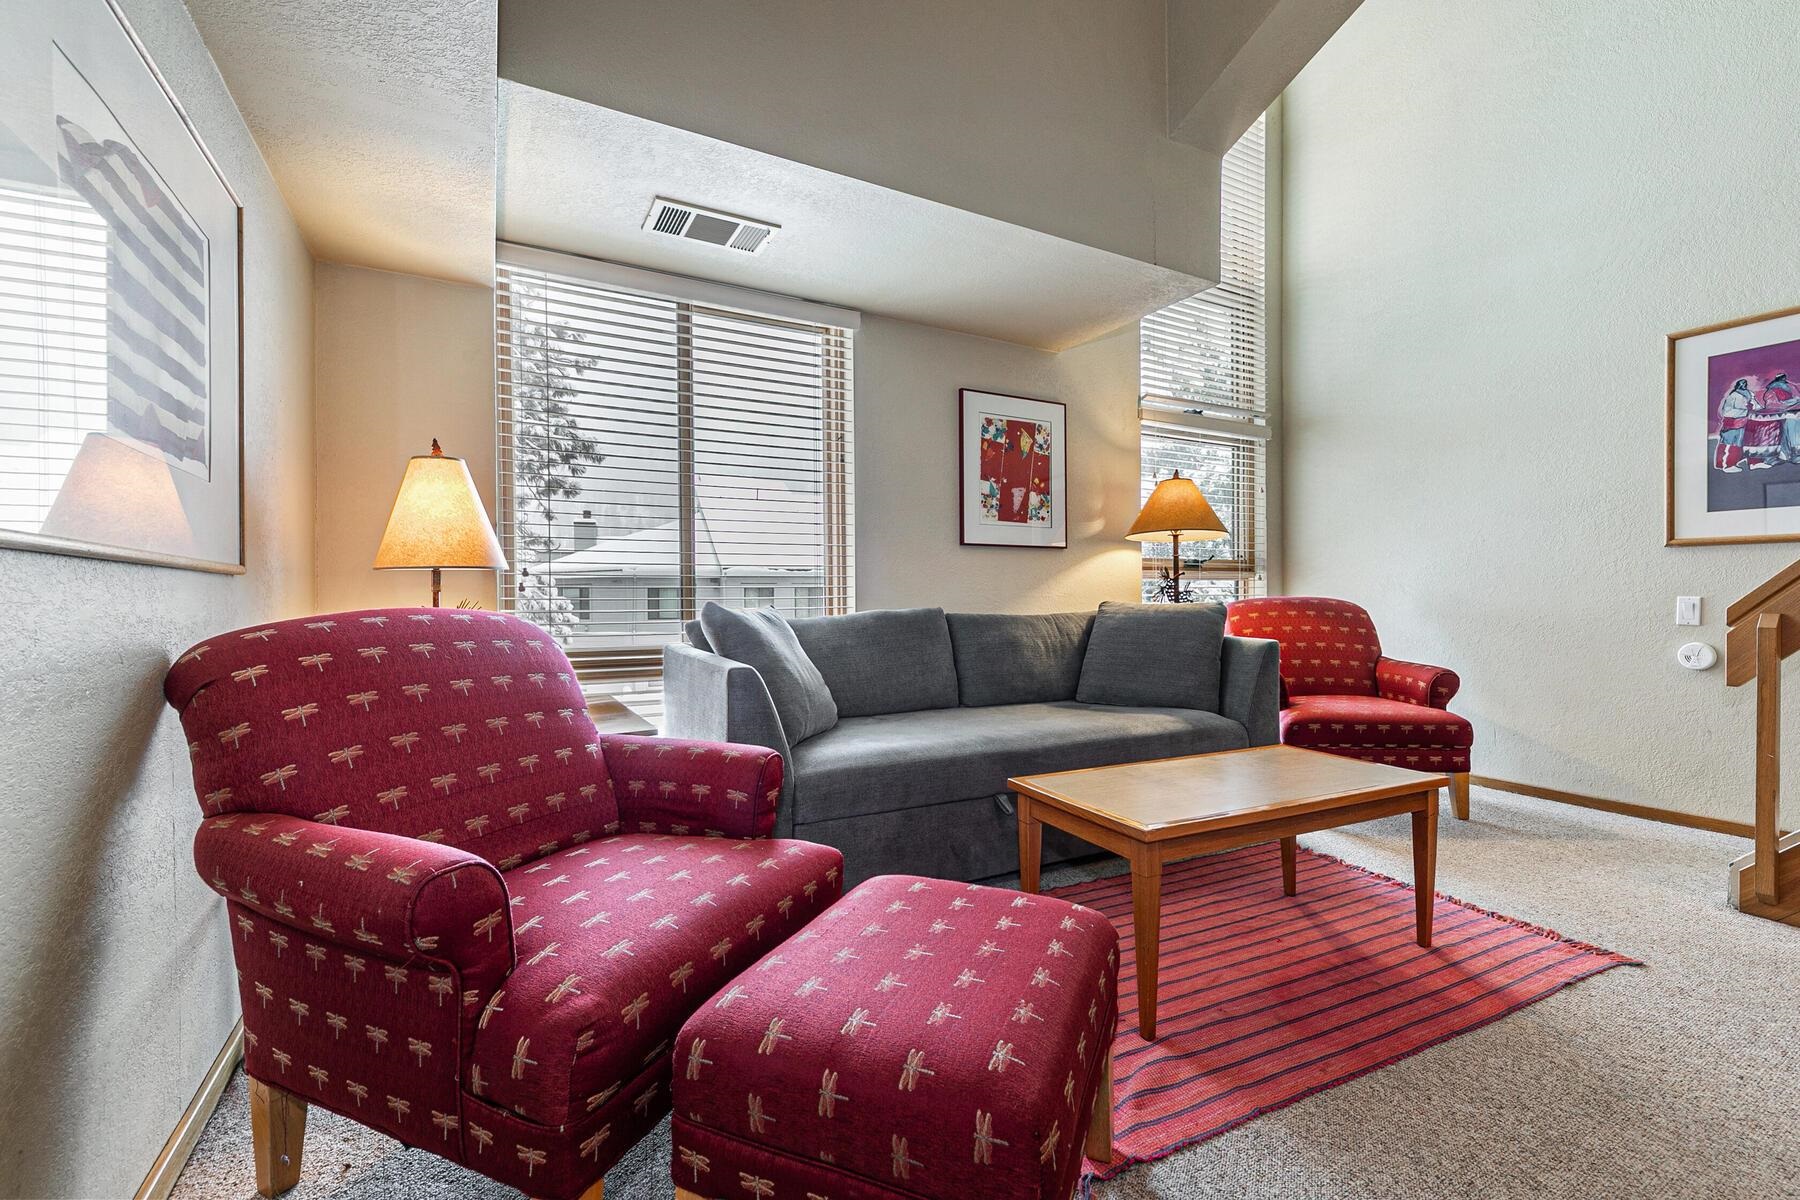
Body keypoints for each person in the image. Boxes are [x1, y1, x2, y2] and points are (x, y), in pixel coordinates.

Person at [1716, 376, 1752, 472]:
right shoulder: (1736, 395)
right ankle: (1729, 465)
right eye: (1742, 384)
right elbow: (1741, 407)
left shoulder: (1741, 394)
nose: (1744, 386)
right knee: (1733, 443)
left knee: (1725, 442)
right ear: (1739, 385)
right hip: (1735, 421)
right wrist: (1749, 408)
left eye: (1745, 384)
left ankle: (1720, 464)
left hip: (1733, 421)